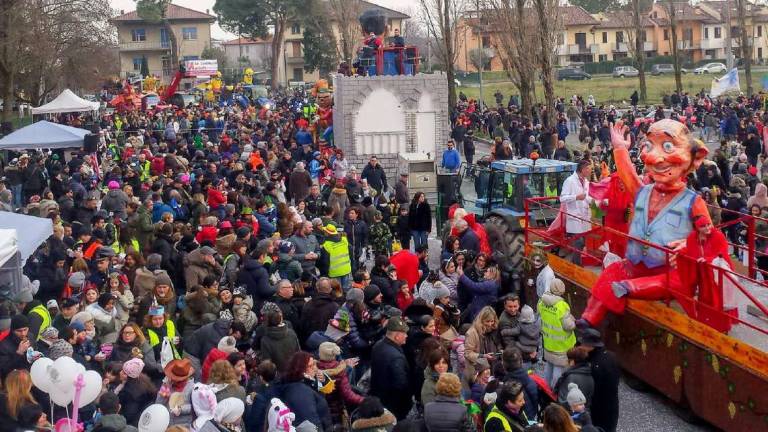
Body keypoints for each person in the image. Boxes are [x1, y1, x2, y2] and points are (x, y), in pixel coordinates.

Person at [277, 351, 333, 431]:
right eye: (310, 366)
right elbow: (311, 423)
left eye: (314, 364)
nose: (315, 368)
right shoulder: (299, 392)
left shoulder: (309, 383)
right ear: (300, 369)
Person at [369, 316, 411, 420]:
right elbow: (400, 385)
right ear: (397, 336)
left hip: (379, 399)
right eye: (404, 333)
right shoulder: (396, 357)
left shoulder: (378, 346)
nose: (406, 336)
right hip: (394, 406)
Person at [538, 279, 576, 389]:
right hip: (562, 346)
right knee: (558, 373)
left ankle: (545, 390)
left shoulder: (542, 302)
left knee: (549, 367)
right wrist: (573, 321)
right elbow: (569, 326)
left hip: (549, 342)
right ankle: (555, 393)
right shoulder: (561, 305)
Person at [580, 329, 620, 432]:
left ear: (590, 346)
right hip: (613, 405)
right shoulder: (611, 356)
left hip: (599, 409)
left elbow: (594, 390)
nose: (581, 346)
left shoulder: (595, 365)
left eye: (583, 344)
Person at [560, 159, 592, 265]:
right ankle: (577, 265)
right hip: (574, 216)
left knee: (582, 243)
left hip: (584, 215)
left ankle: (574, 262)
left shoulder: (586, 181)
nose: (590, 171)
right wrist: (576, 197)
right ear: (582, 169)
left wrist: (597, 202)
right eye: (588, 168)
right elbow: (562, 198)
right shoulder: (569, 181)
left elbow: (587, 197)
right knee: (579, 242)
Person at [118, 358, 157, 426]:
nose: (120, 372)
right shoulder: (144, 382)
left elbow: (128, 414)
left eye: (124, 372)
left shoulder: (127, 393)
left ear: (128, 376)